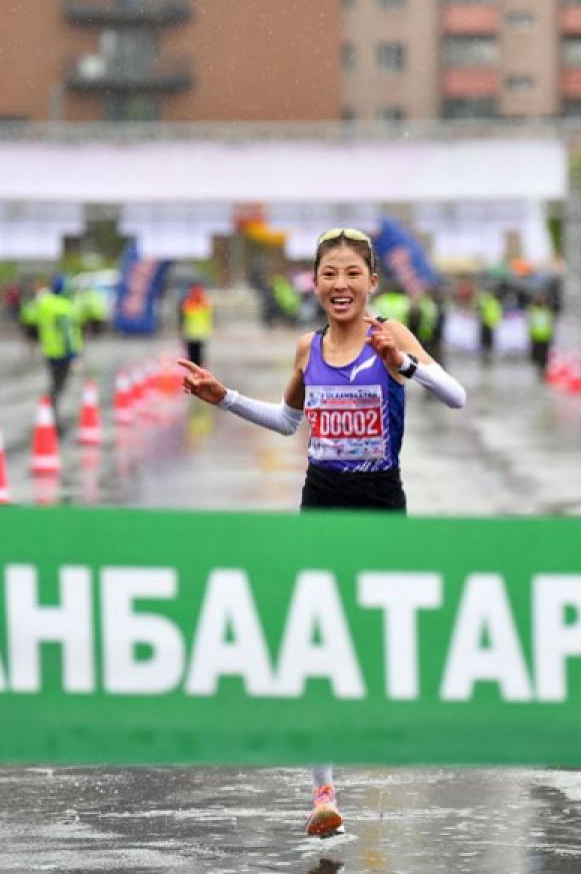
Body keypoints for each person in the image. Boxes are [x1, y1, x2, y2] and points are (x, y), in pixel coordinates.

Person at [179, 227, 466, 838]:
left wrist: (402, 364)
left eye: (352, 273)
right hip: (322, 499)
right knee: (316, 642)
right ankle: (323, 793)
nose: (341, 284)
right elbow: (288, 421)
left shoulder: (391, 335)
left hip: (380, 500)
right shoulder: (307, 350)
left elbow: (456, 396)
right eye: (329, 274)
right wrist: (223, 397)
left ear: (372, 282)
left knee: (382, 637)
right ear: (314, 283)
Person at [33, 274, 82, 423]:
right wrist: (73, 354)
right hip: (63, 353)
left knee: (54, 383)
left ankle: (48, 409)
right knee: (59, 385)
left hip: (49, 351)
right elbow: (67, 334)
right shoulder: (64, 307)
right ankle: (50, 411)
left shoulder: (45, 304)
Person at [180, 283, 213, 367]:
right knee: (192, 356)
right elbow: (185, 313)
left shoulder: (204, 303)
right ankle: (193, 370)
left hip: (200, 334)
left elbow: (208, 314)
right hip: (191, 334)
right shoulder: (189, 303)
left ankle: (197, 370)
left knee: (199, 356)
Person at [527, 294, 555, 379]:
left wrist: (551, 335)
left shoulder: (547, 312)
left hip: (545, 337)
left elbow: (550, 324)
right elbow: (530, 324)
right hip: (536, 337)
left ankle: (543, 369)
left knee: (544, 356)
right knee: (536, 355)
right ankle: (539, 368)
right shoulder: (532, 311)